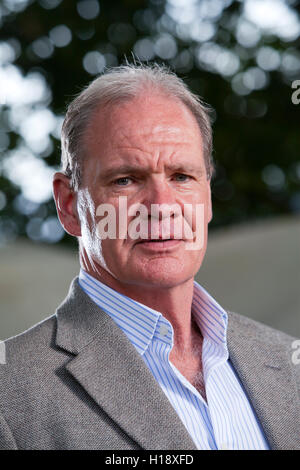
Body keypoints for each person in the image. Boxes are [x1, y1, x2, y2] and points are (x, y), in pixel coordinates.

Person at [0, 64, 299, 451]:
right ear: (70, 205)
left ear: (207, 196)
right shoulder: (10, 397)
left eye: (181, 177)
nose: (161, 207)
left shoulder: (287, 364)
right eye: (125, 179)